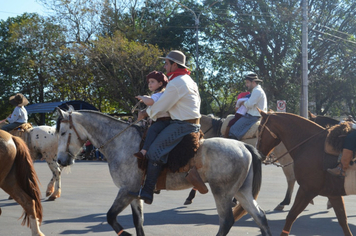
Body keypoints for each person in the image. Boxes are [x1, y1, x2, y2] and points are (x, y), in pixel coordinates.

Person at [130, 50, 201, 204]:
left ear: (174, 65)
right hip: (192, 123)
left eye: (167, 63)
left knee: (154, 151)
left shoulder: (176, 82)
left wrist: (145, 113)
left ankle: (148, 190)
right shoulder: (188, 80)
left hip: (182, 125)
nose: (164, 65)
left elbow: (161, 106)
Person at [134, 70, 170, 159]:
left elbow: (150, 102)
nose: (149, 84)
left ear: (160, 83)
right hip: (164, 120)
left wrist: (143, 97)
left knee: (152, 130)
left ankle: (144, 151)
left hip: (163, 121)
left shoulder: (158, 95)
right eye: (149, 82)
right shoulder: (160, 94)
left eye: (152, 82)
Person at [229, 73, 267, 140]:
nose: (246, 85)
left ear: (253, 82)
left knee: (233, 130)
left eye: (247, 83)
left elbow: (249, 104)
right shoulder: (256, 90)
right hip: (253, 115)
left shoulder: (257, 91)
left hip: (253, 116)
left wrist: (242, 102)